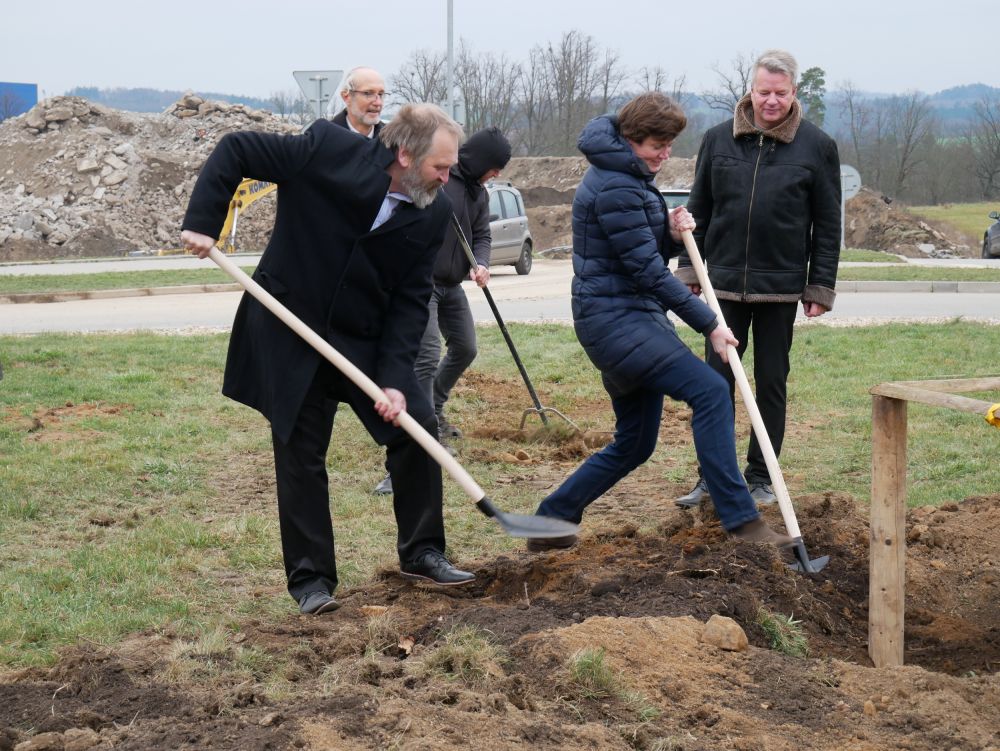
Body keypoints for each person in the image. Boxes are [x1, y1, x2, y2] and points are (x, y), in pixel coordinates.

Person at [180, 103, 476, 617]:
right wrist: (204, 222)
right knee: (301, 452)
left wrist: (395, 380)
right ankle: (312, 581)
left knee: (417, 429)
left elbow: (410, 301)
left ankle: (423, 552)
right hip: (291, 327)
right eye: (440, 167)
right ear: (405, 155)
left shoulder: (434, 210)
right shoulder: (325, 150)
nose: (447, 179)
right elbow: (237, 148)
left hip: (365, 340)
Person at [530, 92, 794, 551]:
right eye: (657, 145)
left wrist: (669, 234)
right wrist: (709, 324)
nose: (665, 154)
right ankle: (742, 523)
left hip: (629, 317)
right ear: (631, 139)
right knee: (710, 390)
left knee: (635, 443)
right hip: (615, 322)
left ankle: (550, 520)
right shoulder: (616, 184)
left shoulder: (626, 174)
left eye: (670, 145)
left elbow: (638, 250)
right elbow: (646, 272)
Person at [674, 49, 841, 509]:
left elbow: (828, 224)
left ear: (794, 93)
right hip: (722, 286)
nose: (771, 101)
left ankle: (761, 477)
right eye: (764, 92)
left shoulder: (817, 146)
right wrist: (688, 269)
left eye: (780, 93)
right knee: (715, 384)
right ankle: (712, 477)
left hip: (780, 288)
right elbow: (698, 209)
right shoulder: (717, 140)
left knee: (770, 383)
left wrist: (820, 285)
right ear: (751, 90)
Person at [375, 127, 512, 495]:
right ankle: (421, 437)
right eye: (495, 166)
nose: (497, 173)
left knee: (466, 347)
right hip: (422, 284)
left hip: (452, 284)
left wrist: (481, 263)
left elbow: (482, 235)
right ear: (482, 160)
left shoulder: (478, 193)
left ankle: (433, 406)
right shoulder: (439, 182)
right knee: (426, 356)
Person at [327, 66, 386, 138]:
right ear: (347, 97)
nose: (378, 103)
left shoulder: (394, 140)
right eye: (368, 93)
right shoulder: (324, 139)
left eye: (380, 94)